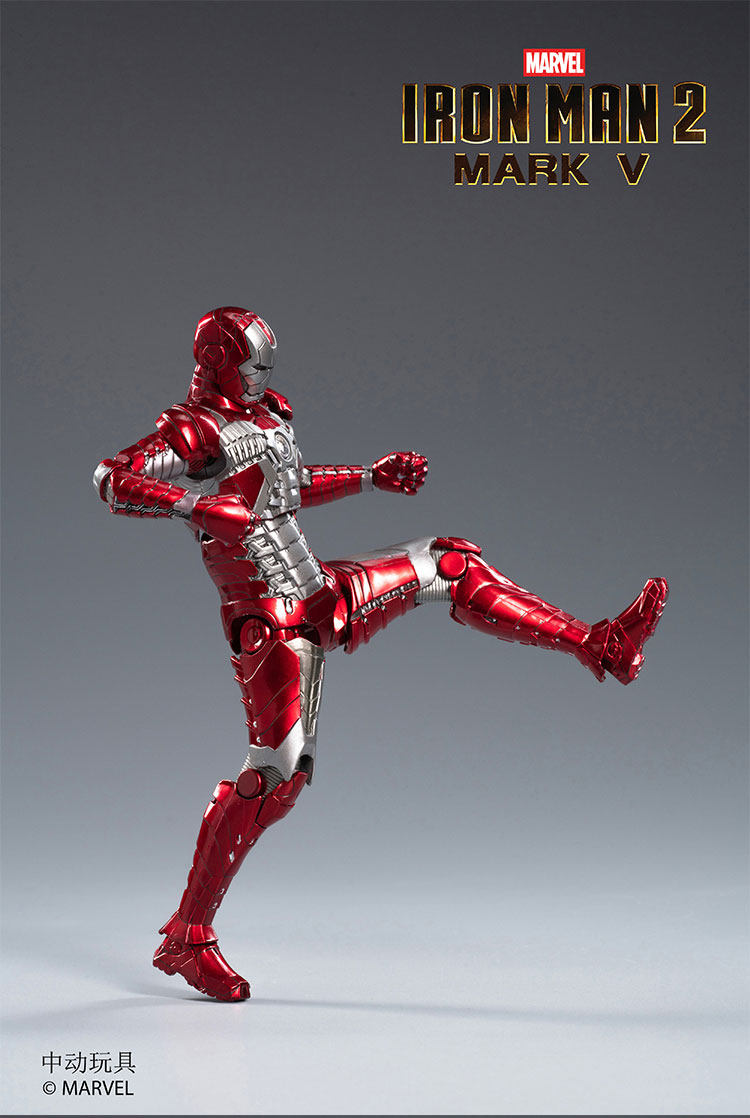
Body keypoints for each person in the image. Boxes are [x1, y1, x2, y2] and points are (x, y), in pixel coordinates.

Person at [94, 306, 668, 1001]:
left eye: (265, 366)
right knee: (275, 777)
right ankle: (188, 936)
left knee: (449, 562)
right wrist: (194, 508)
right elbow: (113, 479)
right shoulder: (194, 432)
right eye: (250, 365)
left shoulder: (264, 418)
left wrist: (368, 476)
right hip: (268, 620)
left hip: (321, 591)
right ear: (218, 360)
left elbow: (287, 489)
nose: (261, 377)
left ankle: (599, 643)